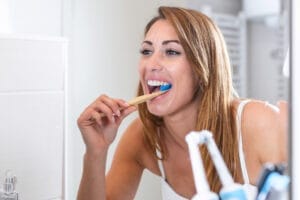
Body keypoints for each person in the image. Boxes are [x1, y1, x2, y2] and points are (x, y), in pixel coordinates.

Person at [76, 6, 288, 200]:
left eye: (171, 52)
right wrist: (95, 152)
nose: (151, 64)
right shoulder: (143, 136)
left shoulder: (260, 124)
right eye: (146, 51)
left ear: (202, 67)